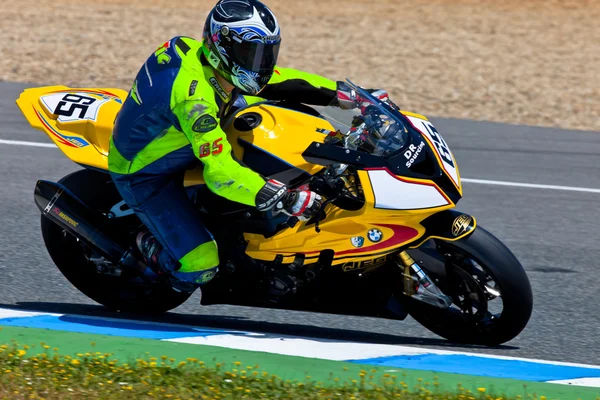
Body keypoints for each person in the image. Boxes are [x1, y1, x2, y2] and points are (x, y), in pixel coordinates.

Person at [108, 0, 381, 293]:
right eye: (252, 54)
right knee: (200, 267)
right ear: (222, 47)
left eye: (266, 54)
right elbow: (219, 172)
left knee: (284, 118)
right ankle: (148, 253)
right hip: (145, 172)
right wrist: (283, 198)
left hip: (191, 130)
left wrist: (349, 96)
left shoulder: (215, 66)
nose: (260, 65)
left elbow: (282, 80)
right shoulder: (195, 103)